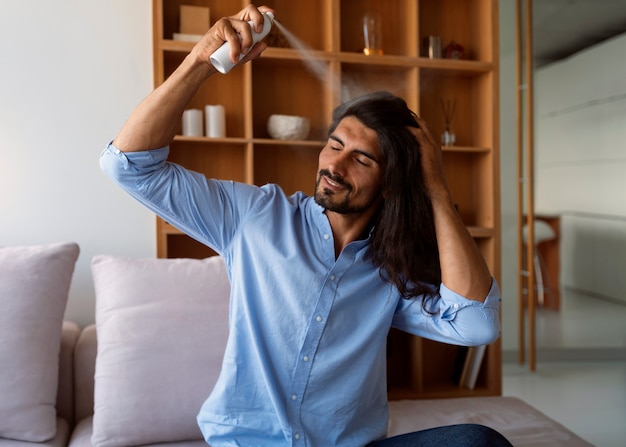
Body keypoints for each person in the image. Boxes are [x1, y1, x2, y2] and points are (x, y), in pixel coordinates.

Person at [101, 5, 512, 447]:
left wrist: (433, 183)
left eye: (361, 158)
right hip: (247, 443)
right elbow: (127, 167)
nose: (334, 165)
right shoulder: (254, 217)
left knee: (477, 441)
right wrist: (201, 60)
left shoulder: (391, 268)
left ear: (391, 184)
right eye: (334, 145)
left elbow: (476, 325)